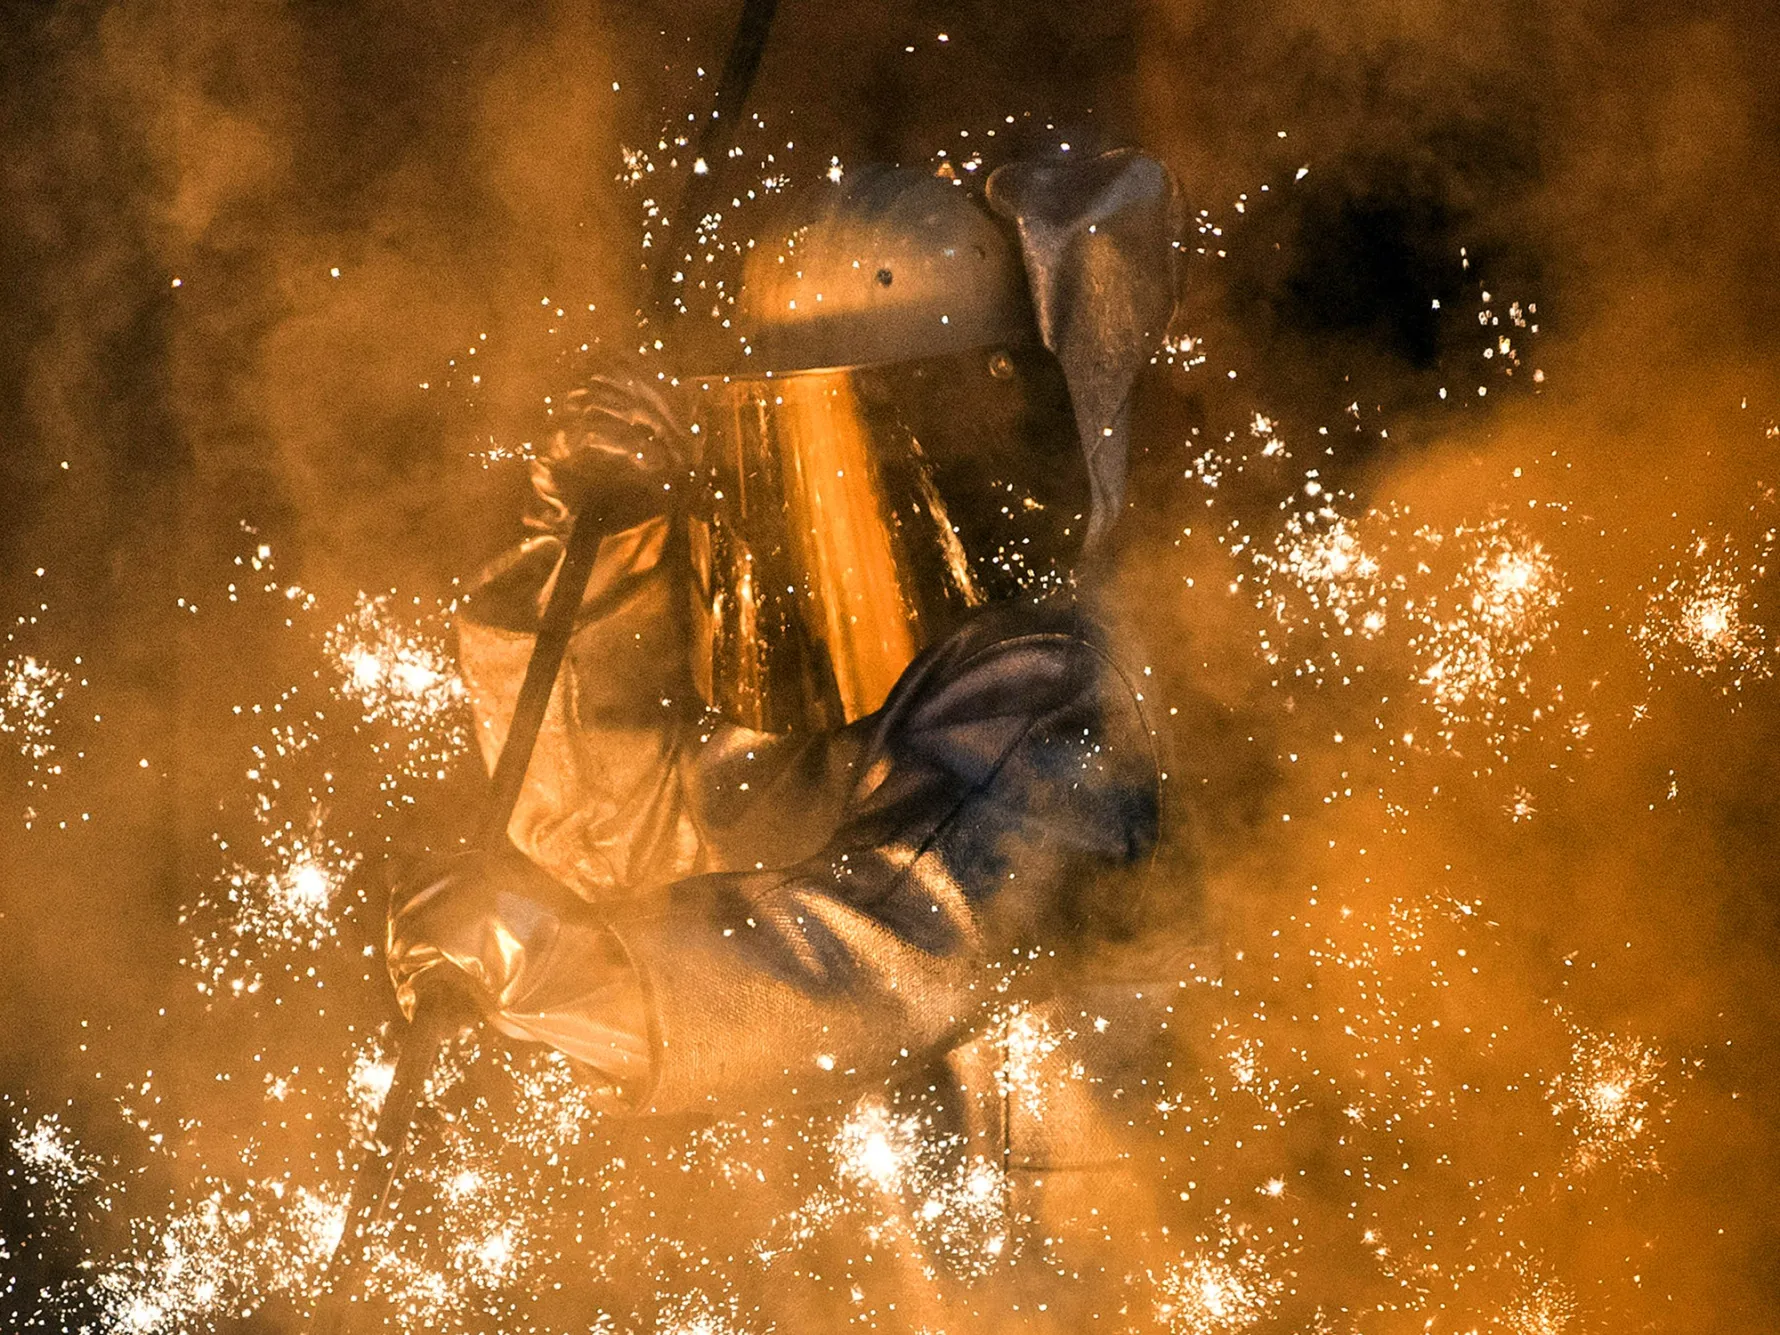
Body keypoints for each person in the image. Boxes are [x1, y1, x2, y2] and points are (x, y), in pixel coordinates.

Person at [385, 147, 1182, 1248]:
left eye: (860, 447)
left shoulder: (1060, 693)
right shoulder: (829, 705)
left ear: (971, 435)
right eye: (795, 454)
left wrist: (581, 978)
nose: (829, 503)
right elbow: (608, 852)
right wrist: (595, 552)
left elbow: (890, 940)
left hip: (1068, 1280)